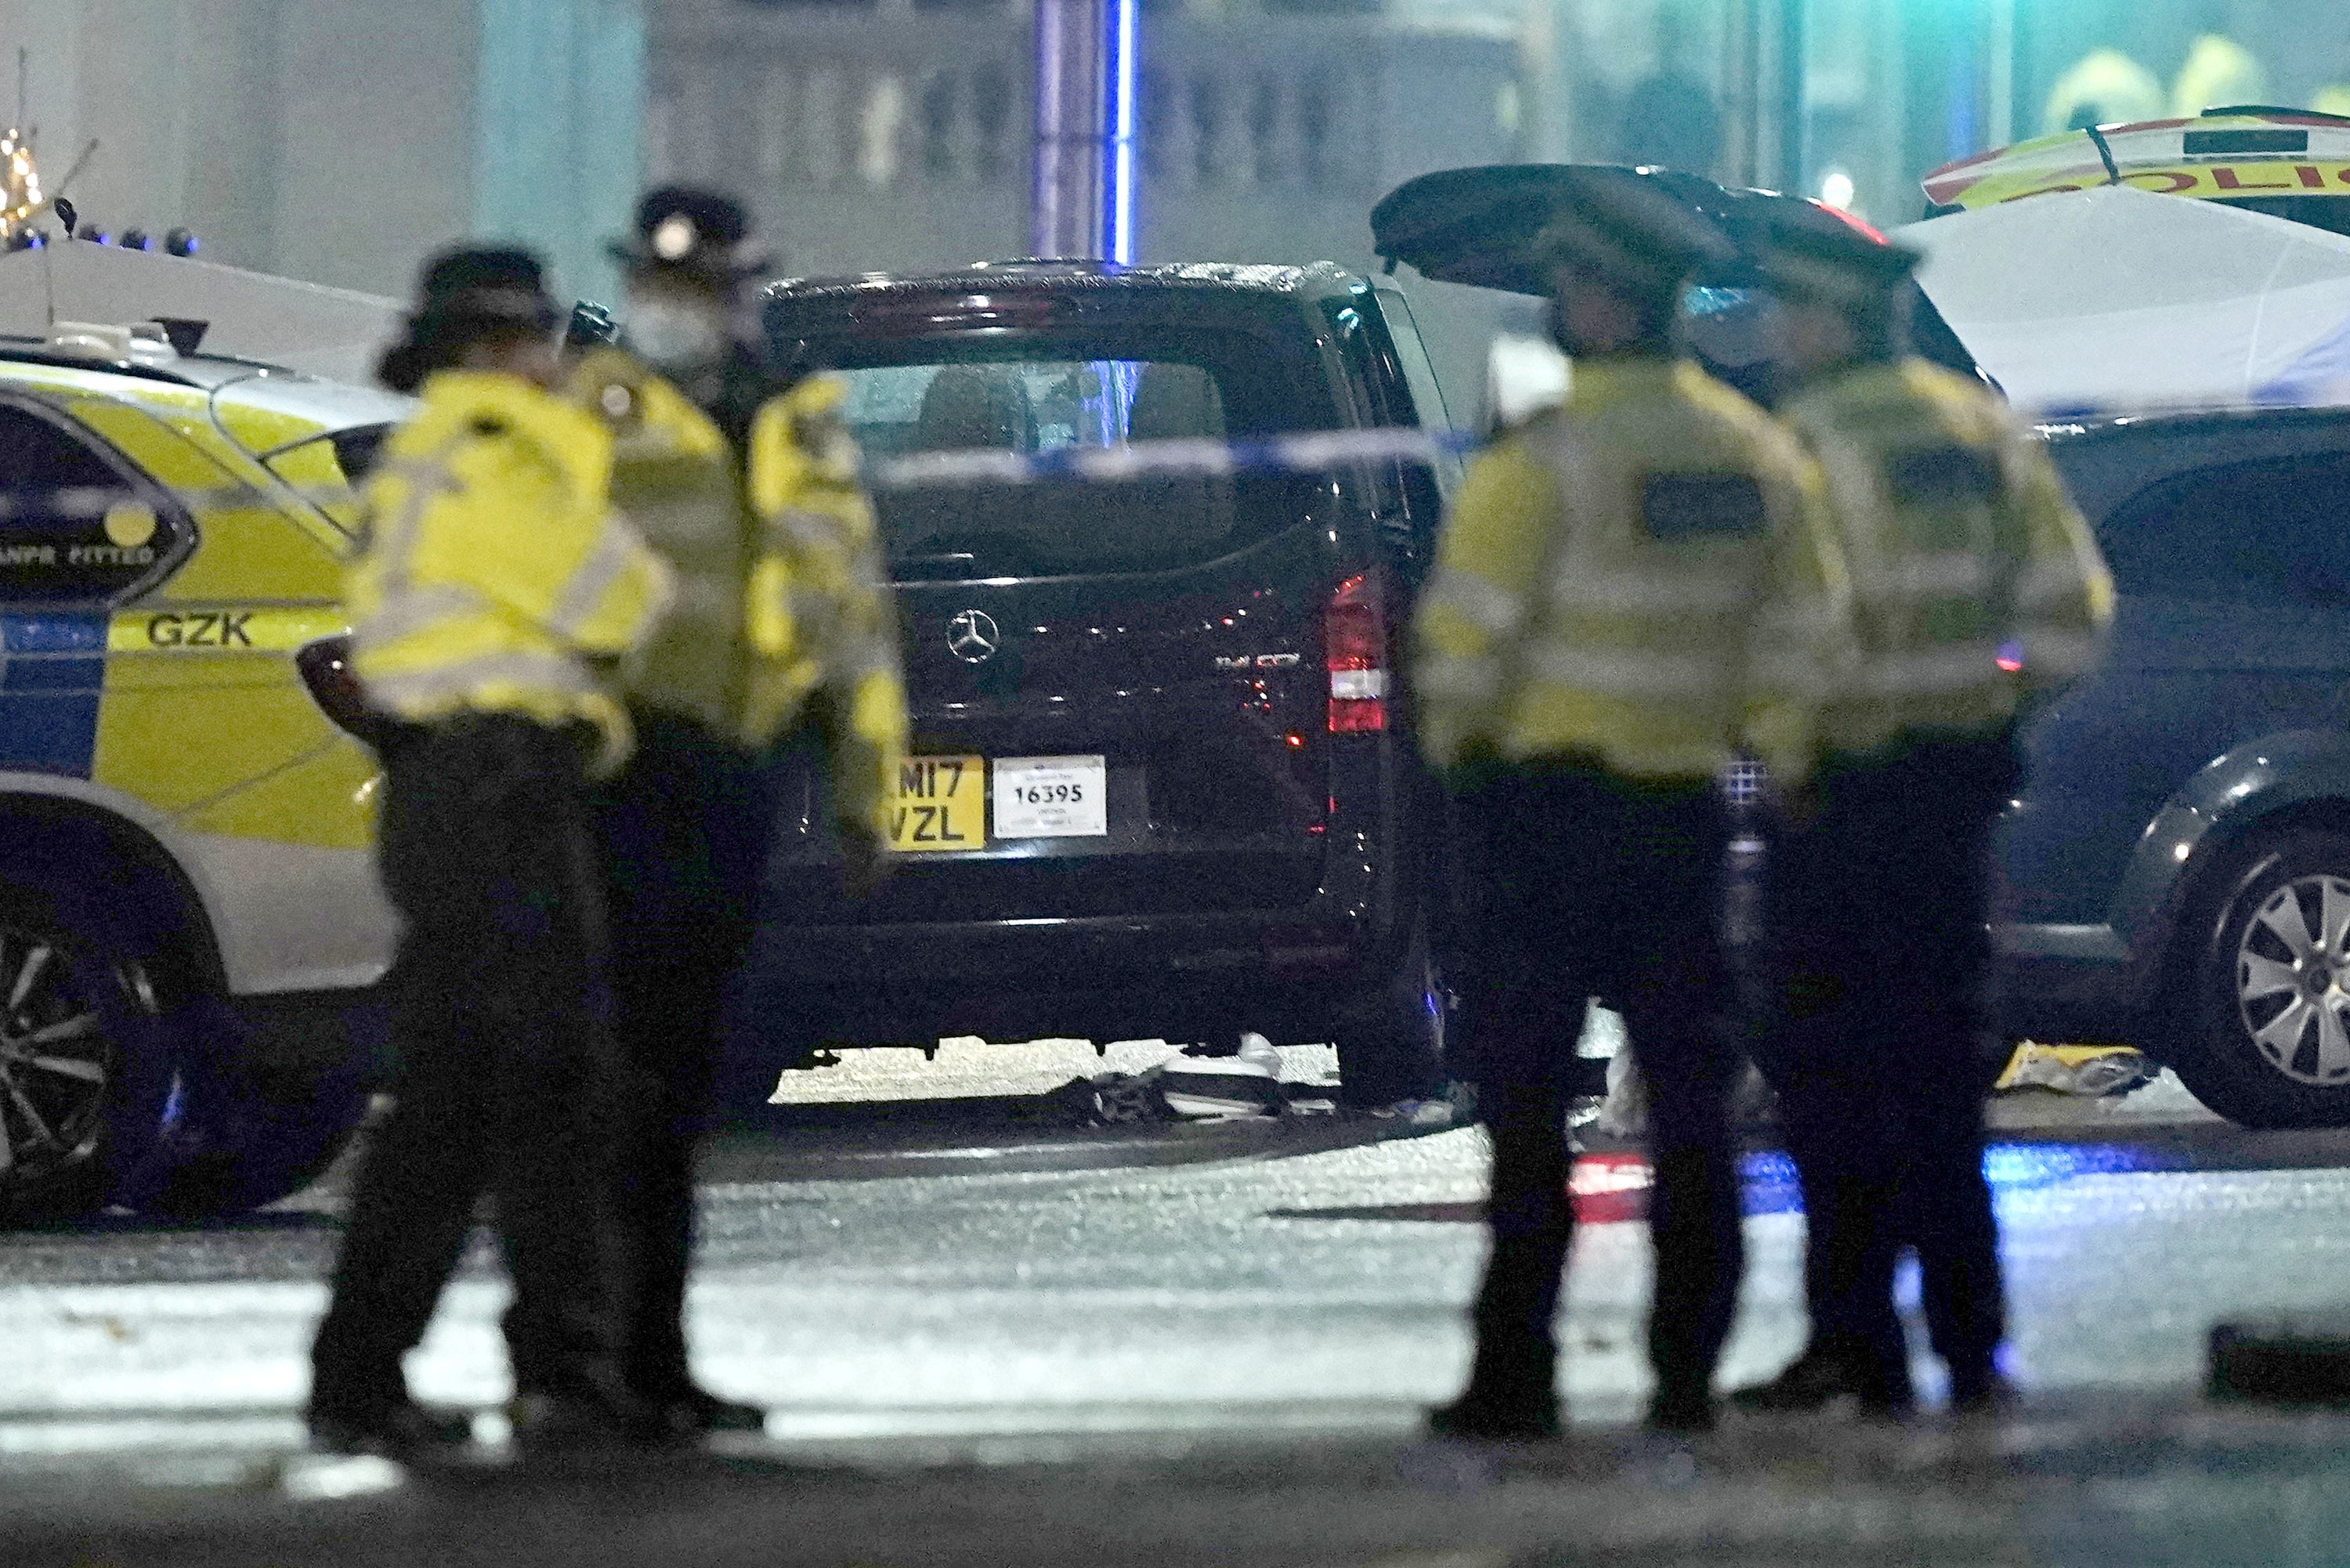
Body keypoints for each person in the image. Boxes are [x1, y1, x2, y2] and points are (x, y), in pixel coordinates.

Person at [1412, 169, 1848, 1440]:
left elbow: (1463, 643)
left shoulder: (1545, 453)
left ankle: (1517, 1374)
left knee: (1528, 1109)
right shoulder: (1750, 453)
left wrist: (1462, 772)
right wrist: (1773, 758)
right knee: (1696, 1111)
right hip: (1683, 819)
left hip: (1543, 818)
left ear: (1596, 299)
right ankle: (1685, 1373)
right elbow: (1801, 644)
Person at [1732, 208, 2112, 1418]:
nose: (1777, 331)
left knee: (1830, 1078)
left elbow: (1803, 629)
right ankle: (1970, 1334)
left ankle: (1855, 1341)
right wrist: (1993, 705)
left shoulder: (1803, 445)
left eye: (1790, 307)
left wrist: (1784, 754)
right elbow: (2072, 618)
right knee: (1942, 1075)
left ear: (1832, 316)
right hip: (1949, 796)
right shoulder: (1979, 432)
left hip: (1837, 800)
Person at [307, 248, 674, 1456]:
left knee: (457, 1099)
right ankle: (559, 1369)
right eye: (530, 337)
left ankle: (366, 1374)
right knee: (553, 1086)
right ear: (494, 348)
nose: (548, 358)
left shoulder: (430, 450)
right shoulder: (503, 451)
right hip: (498, 790)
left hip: (452, 789)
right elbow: (616, 597)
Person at [572, 186, 907, 1440]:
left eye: (700, 289)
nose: (679, 312)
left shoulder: (796, 428)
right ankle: (582, 1359)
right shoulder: (586, 417)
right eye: (661, 290)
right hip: (610, 776)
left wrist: (871, 790)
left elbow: (854, 619)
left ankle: (652, 1357)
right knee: (604, 1084)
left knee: (680, 1084)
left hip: (730, 780)